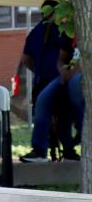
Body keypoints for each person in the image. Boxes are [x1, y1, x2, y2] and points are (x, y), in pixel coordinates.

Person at [21, 35, 84, 163]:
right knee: (44, 98)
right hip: (68, 75)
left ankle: (82, 132)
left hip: (82, 75)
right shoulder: (70, 32)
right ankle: (39, 151)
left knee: (75, 86)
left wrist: (75, 72)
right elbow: (61, 59)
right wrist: (63, 72)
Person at [20, 0, 65, 110]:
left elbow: (25, 60)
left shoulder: (34, 33)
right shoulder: (62, 30)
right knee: (61, 123)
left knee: (42, 123)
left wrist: (38, 70)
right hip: (59, 83)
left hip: (40, 84)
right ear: (55, 12)